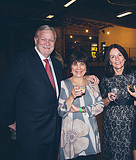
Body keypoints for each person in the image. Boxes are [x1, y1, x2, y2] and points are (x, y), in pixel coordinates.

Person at [0, 25, 63, 160]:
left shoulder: (57, 65)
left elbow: (60, 90)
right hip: (31, 132)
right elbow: (6, 92)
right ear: (35, 40)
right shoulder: (22, 61)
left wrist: (84, 78)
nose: (47, 43)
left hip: (54, 131)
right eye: (43, 39)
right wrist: (10, 121)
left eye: (51, 40)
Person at [58, 52, 104, 160]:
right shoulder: (63, 84)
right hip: (70, 139)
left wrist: (80, 109)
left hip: (90, 136)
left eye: (82, 64)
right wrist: (71, 96)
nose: (78, 68)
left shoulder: (92, 84)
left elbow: (100, 106)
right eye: (75, 64)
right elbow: (60, 111)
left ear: (86, 67)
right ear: (70, 67)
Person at [99, 44, 136, 160]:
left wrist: (130, 102)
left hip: (130, 123)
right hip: (111, 124)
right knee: (113, 153)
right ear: (109, 61)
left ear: (124, 58)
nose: (117, 59)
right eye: (112, 57)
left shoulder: (134, 76)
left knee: (129, 152)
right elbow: (101, 104)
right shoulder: (105, 79)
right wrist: (108, 99)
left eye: (119, 55)